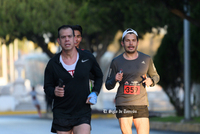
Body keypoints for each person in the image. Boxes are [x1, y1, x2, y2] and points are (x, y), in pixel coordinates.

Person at [44, 25, 103, 134]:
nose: (67, 39)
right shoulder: (52, 64)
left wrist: (95, 92)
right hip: (62, 113)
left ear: (74, 39)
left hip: (82, 112)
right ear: (58, 41)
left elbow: (99, 76)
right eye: (63, 37)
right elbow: (47, 87)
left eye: (69, 36)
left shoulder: (87, 57)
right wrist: (54, 91)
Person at [105, 28, 160, 134]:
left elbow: (156, 76)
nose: (131, 43)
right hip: (123, 104)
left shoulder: (147, 59)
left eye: (133, 40)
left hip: (141, 103)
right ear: (122, 43)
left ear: (137, 42)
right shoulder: (116, 61)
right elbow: (108, 85)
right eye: (127, 40)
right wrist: (114, 79)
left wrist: (151, 81)